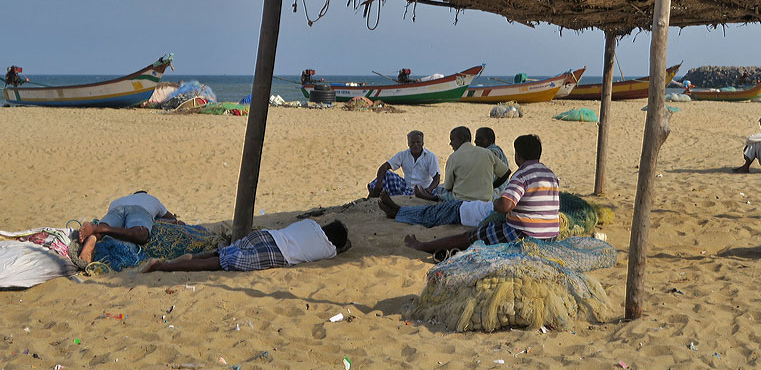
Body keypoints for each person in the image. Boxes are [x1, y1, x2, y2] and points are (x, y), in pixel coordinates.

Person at [404, 134, 559, 256]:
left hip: (523, 234)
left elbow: (505, 206)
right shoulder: (549, 174)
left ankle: (423, 246)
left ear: (518, 156)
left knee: (469, 237)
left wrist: (496, 203)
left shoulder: (522, 174)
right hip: (550, 235)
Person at [142, 219, 350, 273]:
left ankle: (181, 259)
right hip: (275, 253)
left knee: (220, 253)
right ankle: (162, 266)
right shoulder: (329, 250)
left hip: (265, 235)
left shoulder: (310, 224)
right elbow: (345, 246)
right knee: (218, 263)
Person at [78, 191, 181, 262]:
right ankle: (99, 228)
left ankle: (95, 236)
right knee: (141, 234)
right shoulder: (151, 199)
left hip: (116, 209)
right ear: (144, 194)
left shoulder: (117, 200)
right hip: (139, 210)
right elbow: (171, 219)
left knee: (106, 225)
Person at [414, 126, 509, 202]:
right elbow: (506, 172)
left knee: (443, 191)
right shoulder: (486, 152)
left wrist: (492, 186)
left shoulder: (454, 157)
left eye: (452, 140)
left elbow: (448, 187)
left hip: (467, 198)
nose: (450, 143)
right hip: (486, 197)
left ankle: (432, 198)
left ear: (461, 139)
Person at [367, 130, 440, 198]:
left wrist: (428, 190)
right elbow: (384, 166)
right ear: (408, 143)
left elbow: (436, 178)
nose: (415, 145)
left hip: (423, 189)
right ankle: (370, 200)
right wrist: (379, 183)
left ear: (422, 143)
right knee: (386, 174)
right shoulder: (403, 155)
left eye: (418, 142)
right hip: (406, 187)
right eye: (413, 142)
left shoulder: (430, 156)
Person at [378, 191, 494, 228]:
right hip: (466, 206)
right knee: (432, 209)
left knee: (430, 215)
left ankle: (397, 212)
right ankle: (399, 210)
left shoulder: (505, 208)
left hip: (464, 212)